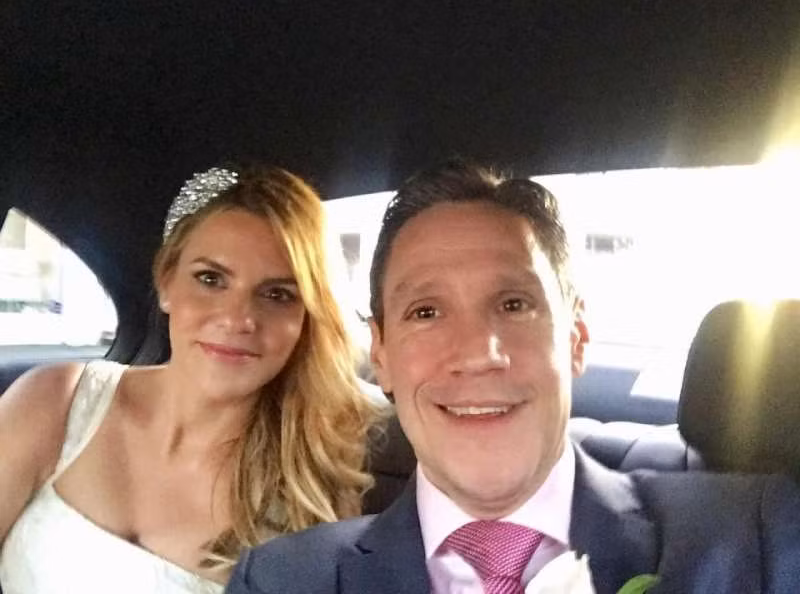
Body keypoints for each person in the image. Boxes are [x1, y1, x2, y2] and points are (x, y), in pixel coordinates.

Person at [226, 159, 800, 594]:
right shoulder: (283, 580)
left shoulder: (759, 535)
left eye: (514, 304)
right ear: (381, 354)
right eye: (426, 312)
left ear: (575, 337)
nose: (479, 353)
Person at [0, 164, 382, 593]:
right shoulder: (57, 400)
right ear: (166, 283)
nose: (238, 318)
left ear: (306, 317)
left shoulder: (310, 491)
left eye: (278, 294)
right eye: (210, 279)